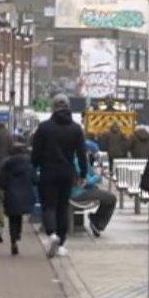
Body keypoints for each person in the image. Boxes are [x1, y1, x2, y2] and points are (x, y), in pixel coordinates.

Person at [32, 94, 88, 258]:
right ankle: (62, 244)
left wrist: (34, 168)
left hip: (48, 172)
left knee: (48, 206)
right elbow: (82, 154)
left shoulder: (43, 128)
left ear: (53, 107)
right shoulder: (76, 128)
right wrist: (83, 173)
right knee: (63, 208)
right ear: (68, 107)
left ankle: (52, 235)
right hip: (67, 173)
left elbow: (36, 153)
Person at [71, 140, 118, 238]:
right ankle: (97, 222)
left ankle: (97, 221)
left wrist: (98, 173)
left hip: (84, 190)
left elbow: (92, 176)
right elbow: (86, 181)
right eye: (91, 152)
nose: (91, 155)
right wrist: (98, 175)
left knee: (108, 197)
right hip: (78, 192)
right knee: (111, 198)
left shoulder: (83, 161)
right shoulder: (77, 161)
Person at [0, 140, 36, 255]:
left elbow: (2, 181)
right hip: (25, 195)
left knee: (12, 218)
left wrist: (5, 188)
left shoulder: (6, 164)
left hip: (11, 194)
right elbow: (35, 180)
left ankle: (13, 239)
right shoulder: (29, 164)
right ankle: (18, 234)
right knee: (19, 216)